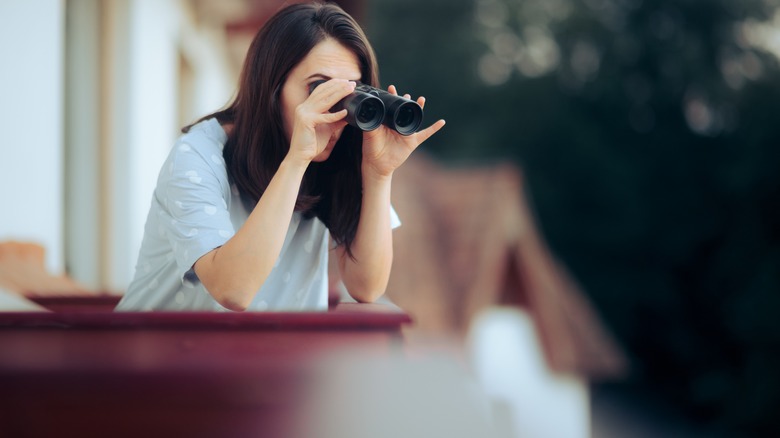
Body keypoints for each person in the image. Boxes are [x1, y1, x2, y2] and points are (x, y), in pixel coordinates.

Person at [115, 2, 445, 312]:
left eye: (351, 93)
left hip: (257, 366)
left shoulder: (340, 155)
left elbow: (366, 287)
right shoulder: (198, 155)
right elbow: (234, 289)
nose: (337, 110)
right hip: (152, 358)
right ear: (272, 89)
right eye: (319, 88)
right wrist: (296, 159)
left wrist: (379, 174)